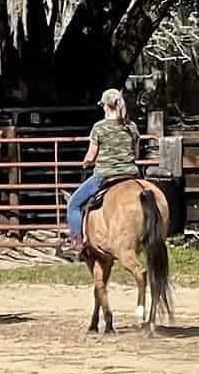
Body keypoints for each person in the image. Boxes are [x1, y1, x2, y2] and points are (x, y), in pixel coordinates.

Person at [59, 89, 140, 261]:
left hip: (105, 175)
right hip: (131, 174)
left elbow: (91, 155)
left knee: (73, 204)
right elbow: (136, 154)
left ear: (106, 106)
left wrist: (86, 162)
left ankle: (77, 244)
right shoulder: (131, 127)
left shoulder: (99, 128)